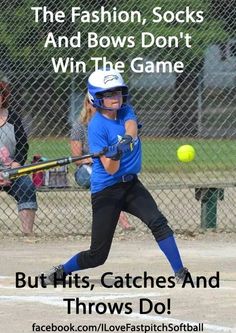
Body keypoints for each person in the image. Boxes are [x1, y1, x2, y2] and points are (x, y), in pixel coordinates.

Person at [43, 68, 189, 284]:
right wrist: (115, 153)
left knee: (158, 222)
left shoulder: (126, 110)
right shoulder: (96, 127)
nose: (116, 98)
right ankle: (62, 271)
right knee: (97, 255)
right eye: (109, 94)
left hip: (131, 184)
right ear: (97, 98)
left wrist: (125, 140)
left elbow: (131, 127)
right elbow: (111, 169)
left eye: (118, 93)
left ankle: (180, 272)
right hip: (107, 189)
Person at [70, 94, 135, 231]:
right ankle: (122, 219)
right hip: (86, 169)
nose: (97, 107)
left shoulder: (112, 124)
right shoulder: (80, 126)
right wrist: (93, 159)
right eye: (93, 104)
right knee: (105, 178)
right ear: (87, 105)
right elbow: (76, 158)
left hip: (109, 165)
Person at [0, 74, 38, 236]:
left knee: (27, 187)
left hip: (11, 169)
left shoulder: (13, 117)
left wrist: (16, 163)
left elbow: (23, 145)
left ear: (3, 97)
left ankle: (27, 233)